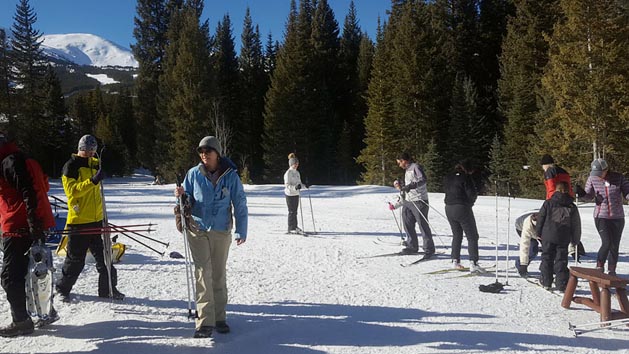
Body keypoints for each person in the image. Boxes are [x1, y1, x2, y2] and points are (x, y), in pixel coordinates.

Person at [174, 136, 248, 338]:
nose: (204, 154)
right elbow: (187, 199)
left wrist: (242, 230)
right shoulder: (193, 174)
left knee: (218, 273)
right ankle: (205, 321)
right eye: (201, 151)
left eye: (208, 151)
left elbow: (240, 204)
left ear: (217, 153)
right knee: (202, 272)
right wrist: (182, 195)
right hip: (197, 229)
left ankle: (219, 317)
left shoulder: (231, 176)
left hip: (221, 230)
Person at [55, 135, 125, 302]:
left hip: (96, 219)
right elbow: (73, 191)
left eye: (93, 151)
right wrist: (93, 180)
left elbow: (105, 168)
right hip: (79, 222)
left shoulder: (94, 164)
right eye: (87, 151)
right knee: (75, 260)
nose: (91, 154)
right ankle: (62, 289)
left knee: (105, 257)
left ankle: (108, 289)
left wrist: (108, 161)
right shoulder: (71, 166)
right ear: (81, 149)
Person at [0, 133, 56, 337]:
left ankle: (21, 321)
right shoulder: (25, 159)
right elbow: (44, 186)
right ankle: (46, 311)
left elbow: (28, 192)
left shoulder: (9, 162)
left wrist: (32, 222)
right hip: (32, 224)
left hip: (19, 226)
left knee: (10, 277)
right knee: (35, 271)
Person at [577, 158, 629, 276]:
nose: (599, 176)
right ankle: (599, 268)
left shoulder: (618, 177)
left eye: (600, 173)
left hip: (617, 217)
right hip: (601, 216)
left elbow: (627, 192)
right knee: (607, 242)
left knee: (614, 245)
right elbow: (588, 196)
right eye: (596, 174)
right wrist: (581, 194)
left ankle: (612, 271)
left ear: (606, 170)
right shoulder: (592, 179)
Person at [535, 181, 581, 291]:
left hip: (548, 235)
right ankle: (561, 283)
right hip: (563, 237)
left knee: (547, 258)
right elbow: (576, 224)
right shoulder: (571, 206)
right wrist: (576, 239)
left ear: (556, 190)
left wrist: (538, 232)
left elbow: (541, 218)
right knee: (561, 259)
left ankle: (546, 281)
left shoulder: (548, 203)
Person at [389, 152, 435, 256]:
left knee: (422, 225)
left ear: (403, 160)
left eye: (399, 163)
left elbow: (423, 180)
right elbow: (407, 185)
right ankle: (412, 246)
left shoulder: (415, 167)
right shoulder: (406, 171)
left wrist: (411, 186)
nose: (399, 165)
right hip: (408, 201)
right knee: (407, 224)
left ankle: (429, 248)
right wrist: (401, 185)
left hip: (419, 200)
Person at [443, 160, 483, 273]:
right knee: (472, 236)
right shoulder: (466, 177)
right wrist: (470, 203)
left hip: (448, 207)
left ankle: (455, 260)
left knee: (457, 235)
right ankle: (473, 263)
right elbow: (472, 193)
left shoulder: (448, 177)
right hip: (461, 207)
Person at [514, 211, 539, 277]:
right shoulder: (527, 225)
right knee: (532, 249)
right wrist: (523, 264)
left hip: (542, 230)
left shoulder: (551, 222)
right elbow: (524, 245)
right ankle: (520, 266)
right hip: (521, 227)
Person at [284, 153, 303, 233]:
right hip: (289, 194)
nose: (296, 165)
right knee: (291, 211)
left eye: (297, 164)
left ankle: (295, 226)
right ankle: (290, 227)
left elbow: (299, 183)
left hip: (296, 194)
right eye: (295, 164)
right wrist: (294, 188)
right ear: (291, 164)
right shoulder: (288, 173)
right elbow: (287, 185)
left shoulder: (297, 173)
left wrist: (305, 186)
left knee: (295, 211)